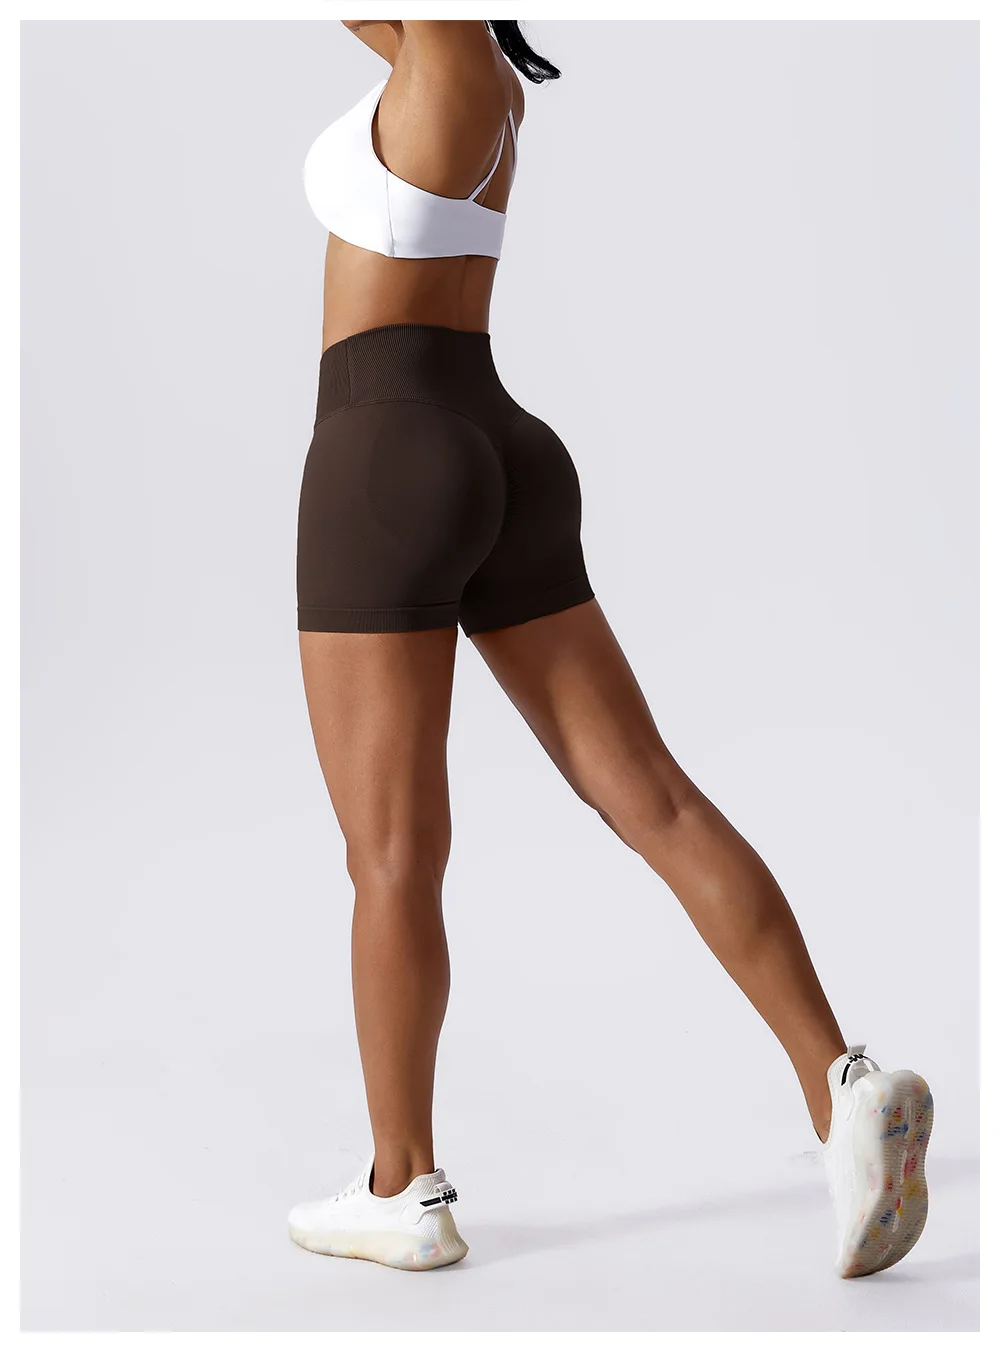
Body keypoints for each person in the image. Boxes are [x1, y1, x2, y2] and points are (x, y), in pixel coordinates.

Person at [287, 19, 932, 1277]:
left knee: (393, 852)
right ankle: (840, 1083)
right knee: (656, 797)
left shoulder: (444, 57)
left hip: (383, 450)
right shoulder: (483, 77)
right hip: (504, 442)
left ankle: (400, 1184)